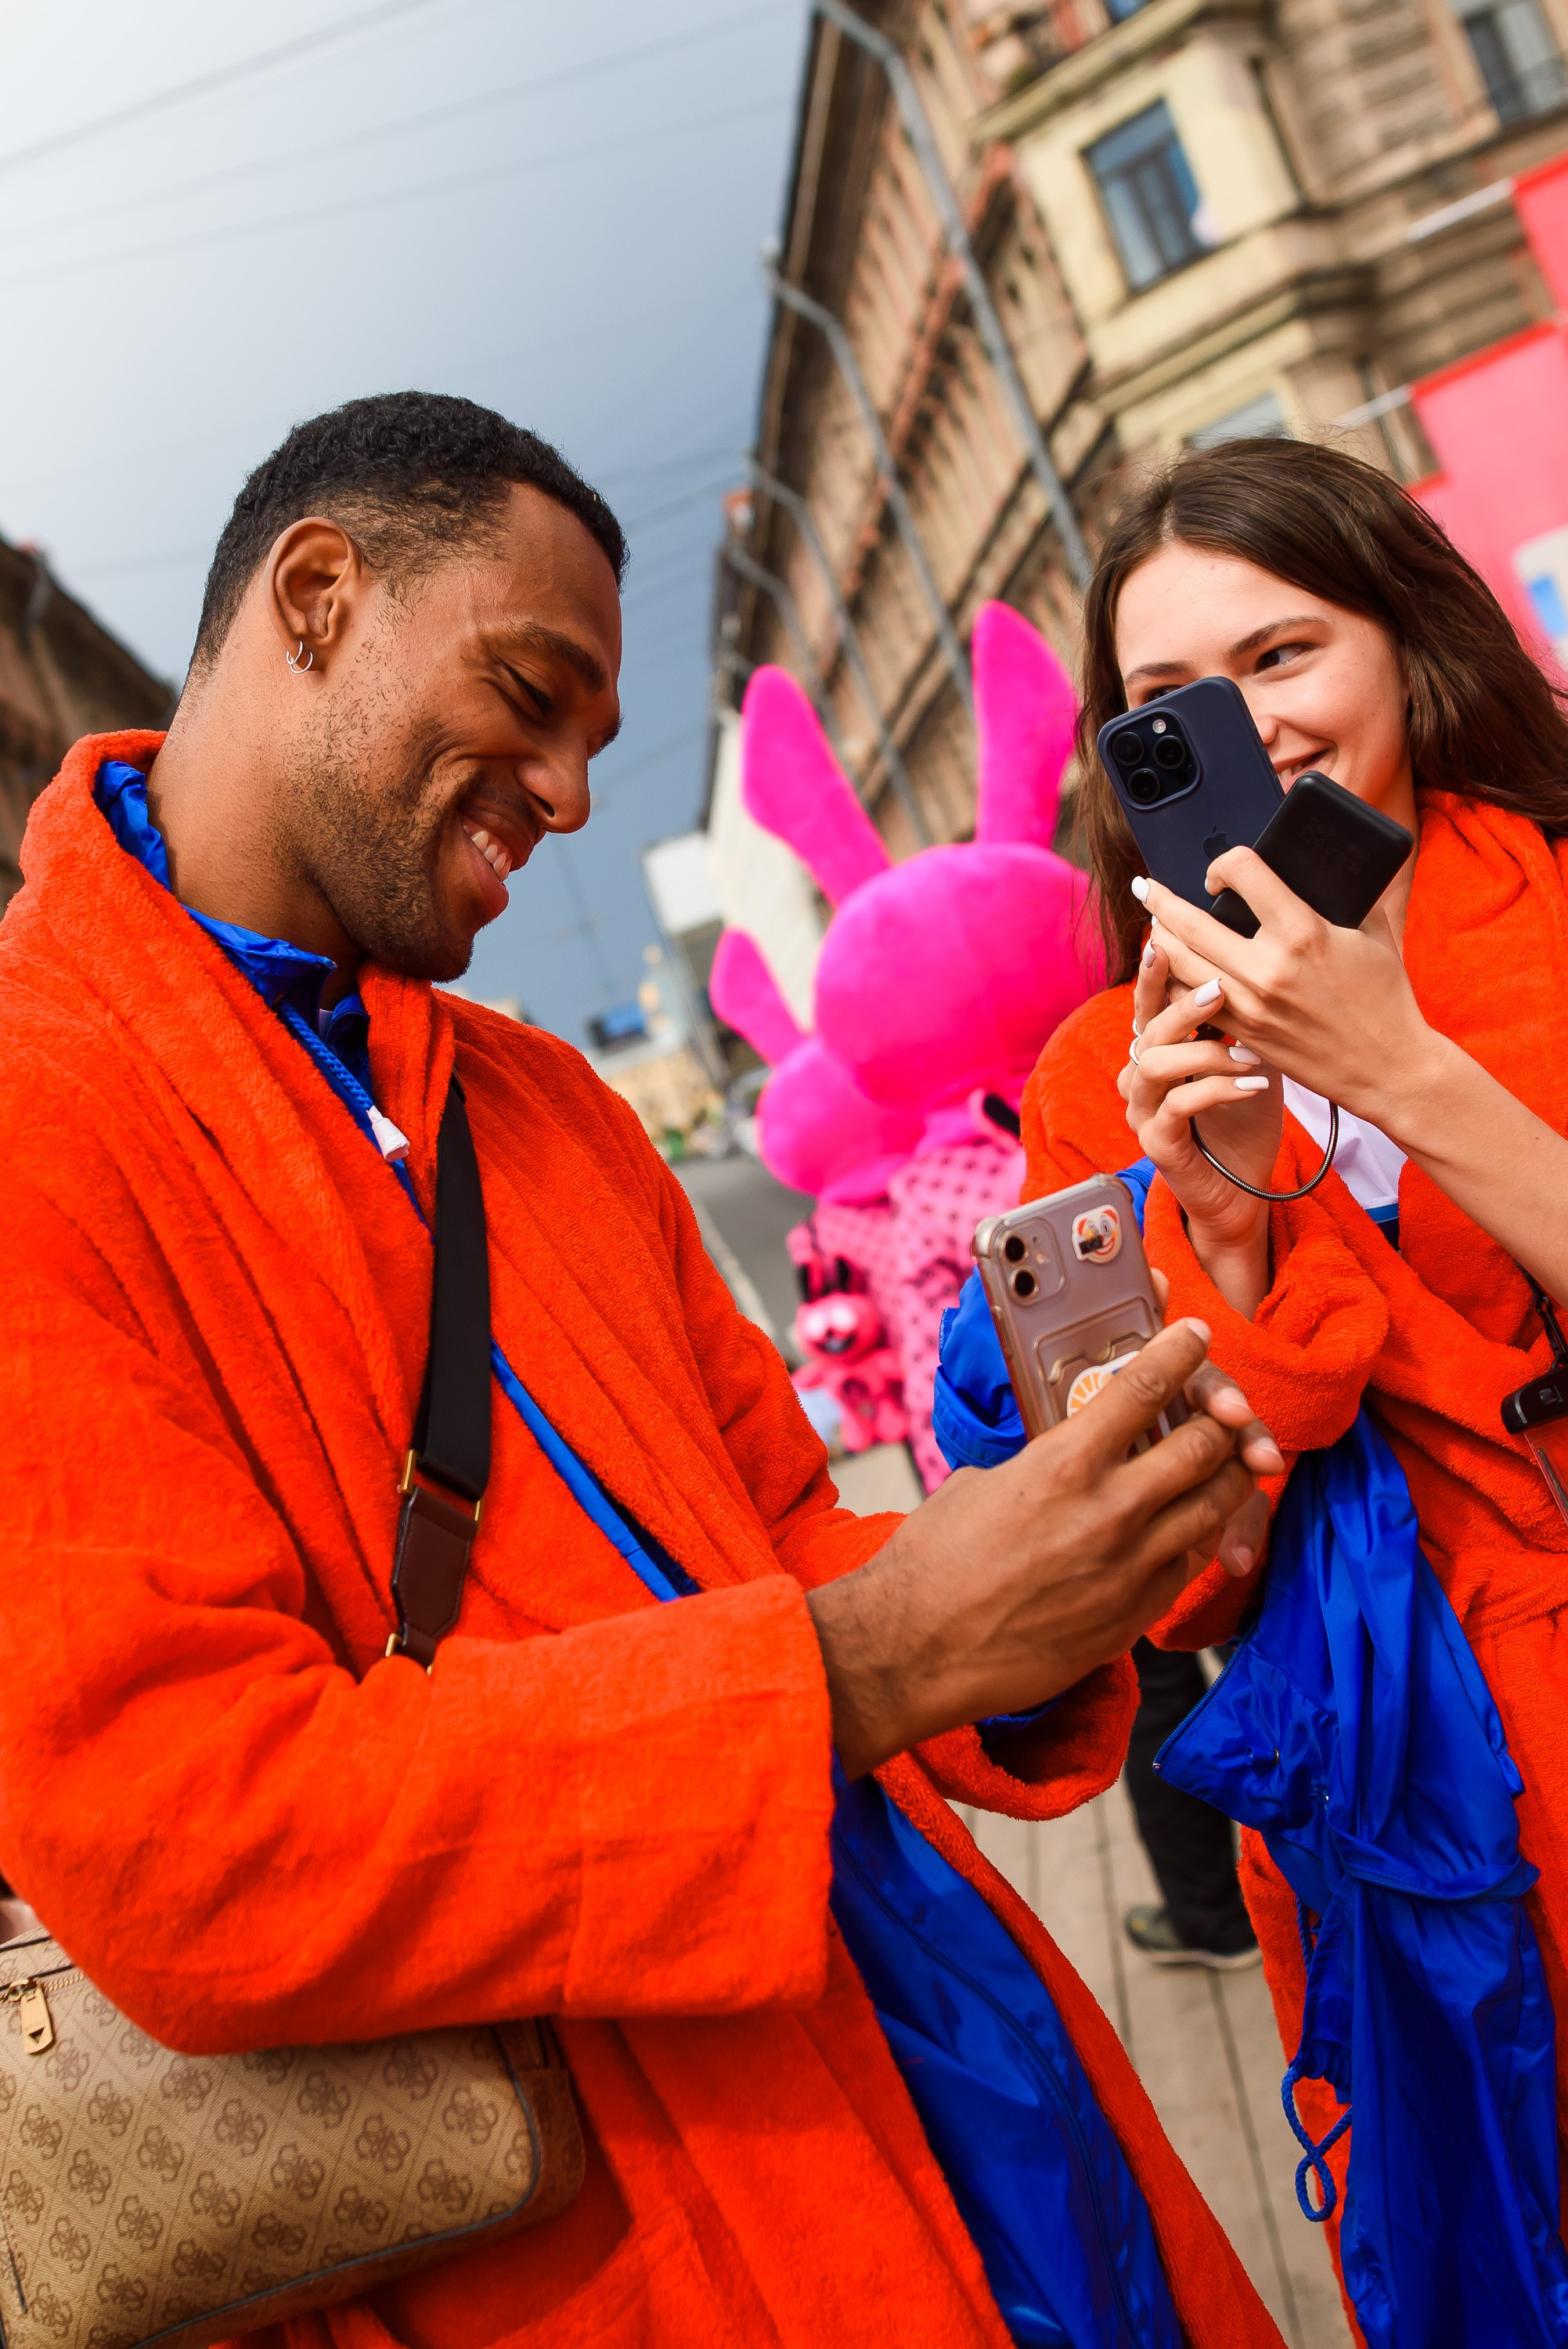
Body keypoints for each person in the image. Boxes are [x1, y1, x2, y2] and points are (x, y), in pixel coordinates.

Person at [0, 393, 1289, 2349]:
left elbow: (782, 1532)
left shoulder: (546, 1105)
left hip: (961, 2093)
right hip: (590, 2247)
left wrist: (1050, 1571)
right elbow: (193, 1845)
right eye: (533, 694)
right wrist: (873, 1662)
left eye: (599, 742)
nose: (574, 798)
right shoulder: (38, 1122)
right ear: (318, 597)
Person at [1019, 432, 1568, 2312]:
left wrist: (1399, 1069)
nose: (1243, 726)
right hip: (1404, 1841)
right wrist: (1229, 1227)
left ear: (1407, 643)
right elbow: (1175, 1588)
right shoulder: (1100, 1080)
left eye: (1281, 655)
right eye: (1168, 698)